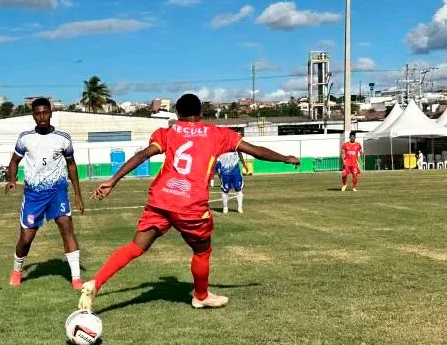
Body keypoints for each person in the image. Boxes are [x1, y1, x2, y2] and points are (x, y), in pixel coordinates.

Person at [77, 94, 300, 312]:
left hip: (161, 199)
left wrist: (113, 180)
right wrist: (285, 158)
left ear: (177, 113)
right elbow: (256, 151)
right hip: (190, 204)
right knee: (202, 250)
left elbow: (143, 155)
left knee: (136, 246)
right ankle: (201, 296)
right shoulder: (218, 134)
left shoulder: (168, 132)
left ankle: (96, 282)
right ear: (201, 112)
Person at [4, 97, 86, 289]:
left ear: (51, 113)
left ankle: (76, 277)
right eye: (38, 113)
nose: (42, 117)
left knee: (66, 227)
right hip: (34, 195)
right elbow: (14, 161)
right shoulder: (25, 138)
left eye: (45, 112)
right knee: (26, 238)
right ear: (33, 115)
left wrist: (77, 194)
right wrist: (12, 180)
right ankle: (17, 270)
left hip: (58, 191)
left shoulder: (63, 138)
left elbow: (71, 164)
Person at [214, 149, 247, 214]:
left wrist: (244, 164)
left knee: (238, 189)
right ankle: (225, 207)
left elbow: (240, 154)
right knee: (225, 190)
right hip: (225, 173)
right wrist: (219, 173)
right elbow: (217, 161)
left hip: (236, 173)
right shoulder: (220, 148)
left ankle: (240, 207)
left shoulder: (235, 147)